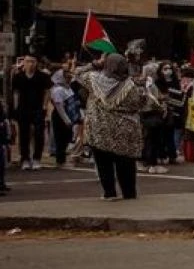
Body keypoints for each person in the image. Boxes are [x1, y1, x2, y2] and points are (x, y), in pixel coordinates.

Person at [75, 54, 149, 200]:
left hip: (99, 130)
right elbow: (142, 103)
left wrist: (96, 63)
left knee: (103, 164)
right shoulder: (132, 86)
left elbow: (77, 73)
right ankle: (129, 194)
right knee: (126, 164)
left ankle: (109, 193)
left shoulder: (94, 79)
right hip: (125, 131)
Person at [11, 55, 51, 170]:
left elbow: (47, 91)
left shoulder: (43, 76)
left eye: (33, 61)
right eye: (28, 61)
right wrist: (15, 107)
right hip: (23, 108)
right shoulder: (18, 77)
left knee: (39, 133)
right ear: (24, 63)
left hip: (38, 108)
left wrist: (44, 106)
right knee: (23, 134)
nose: (31, 64)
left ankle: (37, 158)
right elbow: (16, 93)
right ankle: (25, 159)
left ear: (37, 63)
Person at [49, 68, 83, 169]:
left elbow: (74, 103)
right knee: (60, 138)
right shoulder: (58, 90)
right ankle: (60, 161)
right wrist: (66, 120)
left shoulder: (68, 88)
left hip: (69, 115)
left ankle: (62, 159)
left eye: (69, 77)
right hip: (60, 117)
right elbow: (59, 107)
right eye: (66, 77)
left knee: (66, 138)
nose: (69, 79)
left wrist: (78, 116)